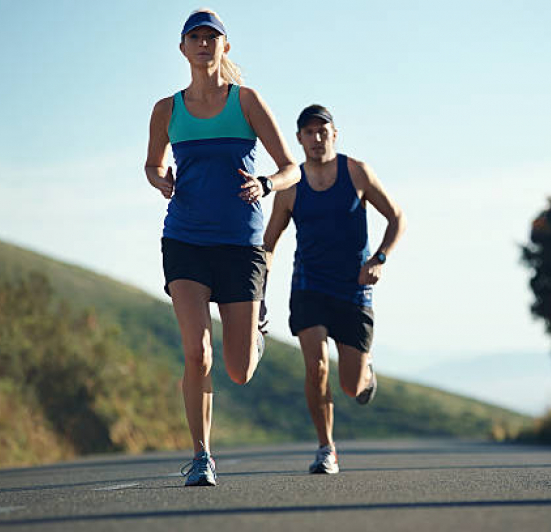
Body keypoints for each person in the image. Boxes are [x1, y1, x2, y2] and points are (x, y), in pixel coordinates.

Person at [144, 9, 300, 487]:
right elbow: (151, 166)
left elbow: (290, 167)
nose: (204, 44)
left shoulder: (246, 102)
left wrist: (266, 183)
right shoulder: (166, 110)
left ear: (224, 47)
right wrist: (161, 180)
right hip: (186, 239)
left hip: (241, 245)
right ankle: (201, 456)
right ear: (183, 48)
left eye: (213, 37)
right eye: (196, 37)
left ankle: (257, 327)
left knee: (239, 370)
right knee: (197, 352)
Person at [263, 104, 406, 474]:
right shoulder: (291, 187)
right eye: (308, 132)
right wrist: (256, 291)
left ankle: (366, 372)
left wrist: (380, 259)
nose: (316, 138)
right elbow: (269, 243)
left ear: (334, 134)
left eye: (322, 130)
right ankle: (326, 449)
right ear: (299, 138)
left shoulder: (356, 172)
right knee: (316, 366)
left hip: (354, 287)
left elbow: (396, 218)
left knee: (351, 386)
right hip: (309, 285)